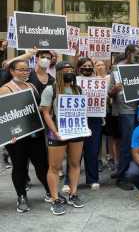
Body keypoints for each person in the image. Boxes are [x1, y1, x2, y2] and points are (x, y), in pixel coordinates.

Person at [0, 60, 50, 213]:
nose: (25, 72)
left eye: (27, 69)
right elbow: (3, 114)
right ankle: (21, 196)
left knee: (42, 165)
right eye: (21, 70)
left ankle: (51, 191)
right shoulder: (5, 89)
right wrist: (8, 134)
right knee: (20, 167)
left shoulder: (32, 86)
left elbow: (38, 108)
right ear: (12, 71)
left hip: (35, 134)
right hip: (17, 137)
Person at [40, 61, 85, 215]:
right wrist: (55, 131)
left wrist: (83, 126)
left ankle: (73, 194)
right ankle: (55, 199)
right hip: (57, 133)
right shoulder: (50, 89)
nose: (69, 71)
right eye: (65, 69)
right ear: (58, 72)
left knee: (75, 164)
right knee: (54, 167)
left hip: (76, 132)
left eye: (71, 69)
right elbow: (45, 112)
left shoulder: (77, 89)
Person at [108, 45, 139, 189]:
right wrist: (115, 89)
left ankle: (133, 173)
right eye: (136, 55)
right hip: (125, 110)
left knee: (136, 144)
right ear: (128, 54)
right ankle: (121, 177)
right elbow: (110, 93)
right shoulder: (116, 70)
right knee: (127, 144)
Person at [76, 57, 103, 189]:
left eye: (89, 66)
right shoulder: (73, 82)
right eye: (84, 66)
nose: (87, 68)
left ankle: (92, 179)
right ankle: (70, 181)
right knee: (75, 151)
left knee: (92, 150)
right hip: (77, 119)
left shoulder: (99, 82)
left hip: (94, 119)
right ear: (79, 68)